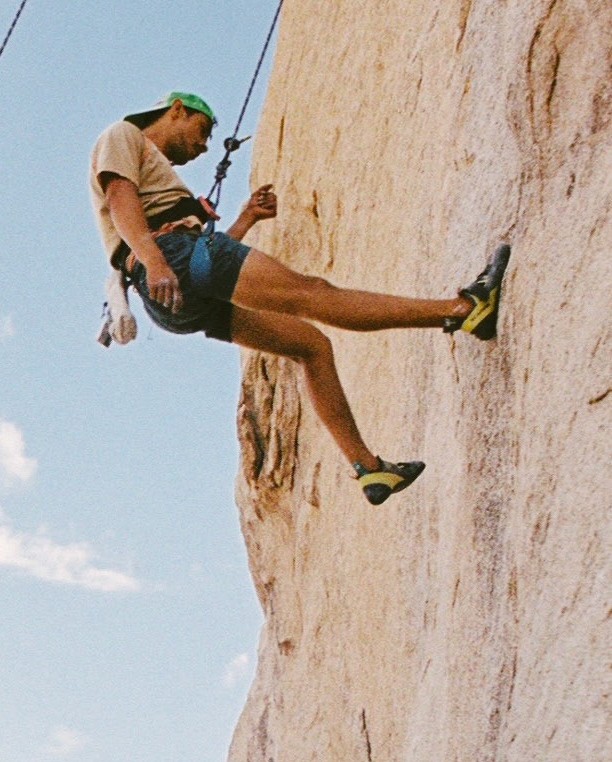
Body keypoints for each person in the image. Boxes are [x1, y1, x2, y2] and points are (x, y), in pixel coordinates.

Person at [90, 92, 510, 504]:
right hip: (170, 263)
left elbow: (208, 270)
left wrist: (245, 219)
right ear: (177, 110)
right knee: (313, 294)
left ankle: (368, 467)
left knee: (311, 347)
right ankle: (465, 309)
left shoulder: (156, 177)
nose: (203, 146)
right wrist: (155, 260)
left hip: (172, 295)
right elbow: (119, 196)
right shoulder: (123, 134)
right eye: (201, 131)